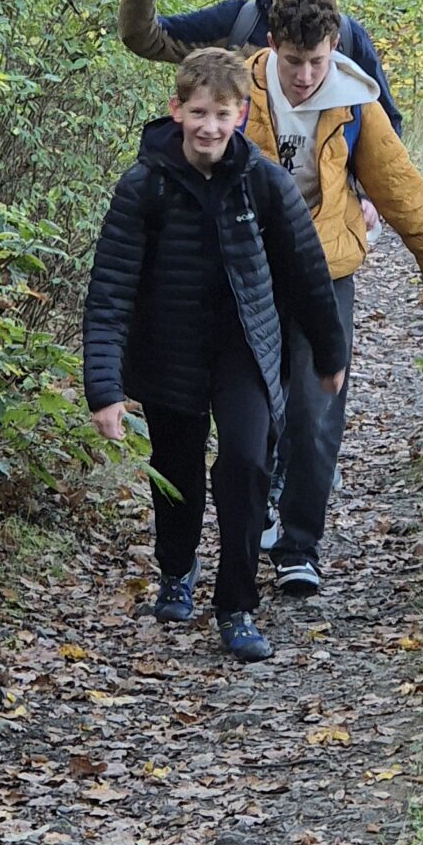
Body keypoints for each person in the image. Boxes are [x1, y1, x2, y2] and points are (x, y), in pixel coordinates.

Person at [83, 46, 347, 663]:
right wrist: (105, 388)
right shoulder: (144, 185)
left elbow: (307, 272)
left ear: (241, 115)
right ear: (176, 110)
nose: (209, 127)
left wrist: (329, 353)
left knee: (246, 467)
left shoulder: (263, 180)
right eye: (199, 112)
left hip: (245, 351)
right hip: (169, 351)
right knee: (175, 470)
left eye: (222, 114)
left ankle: (236, 606)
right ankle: (177, 570)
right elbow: (111, 289)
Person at [241, 0, 423, 596]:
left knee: (316, 410)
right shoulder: (240, 91)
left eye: (317, 61)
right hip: (248, 270)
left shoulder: (354, 99)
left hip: (325, 267)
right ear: (271, 45)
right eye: (293, 61)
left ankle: (298, 546)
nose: (306, 76)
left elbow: (394, 177)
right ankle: (249, 521)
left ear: (334, 47)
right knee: (251, 409)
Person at [117, 0, 404, 138]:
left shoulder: (348, 36)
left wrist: (366, 190)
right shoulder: (237, 22)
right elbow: (148, 40)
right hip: (244, 183)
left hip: (326, 192)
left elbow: (385, 120)